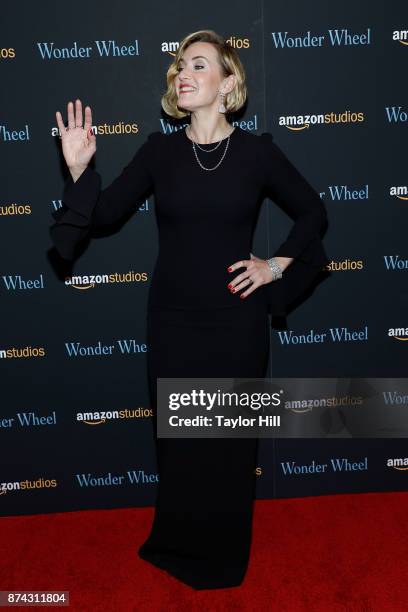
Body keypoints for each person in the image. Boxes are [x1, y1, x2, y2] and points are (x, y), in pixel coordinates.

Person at [50, 29, 329, 590]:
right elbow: (102, 216)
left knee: (227, 445)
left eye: (199, 65)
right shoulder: (160, 151)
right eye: (180, 65)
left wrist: (275, 265)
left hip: (236, 321)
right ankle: (177, 545)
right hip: (173, 321)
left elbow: (313, 214)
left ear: (228, 85)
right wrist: (80, 171)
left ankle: (224, 558)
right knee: (178, 443)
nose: (184, 72)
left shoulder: (258, 153)